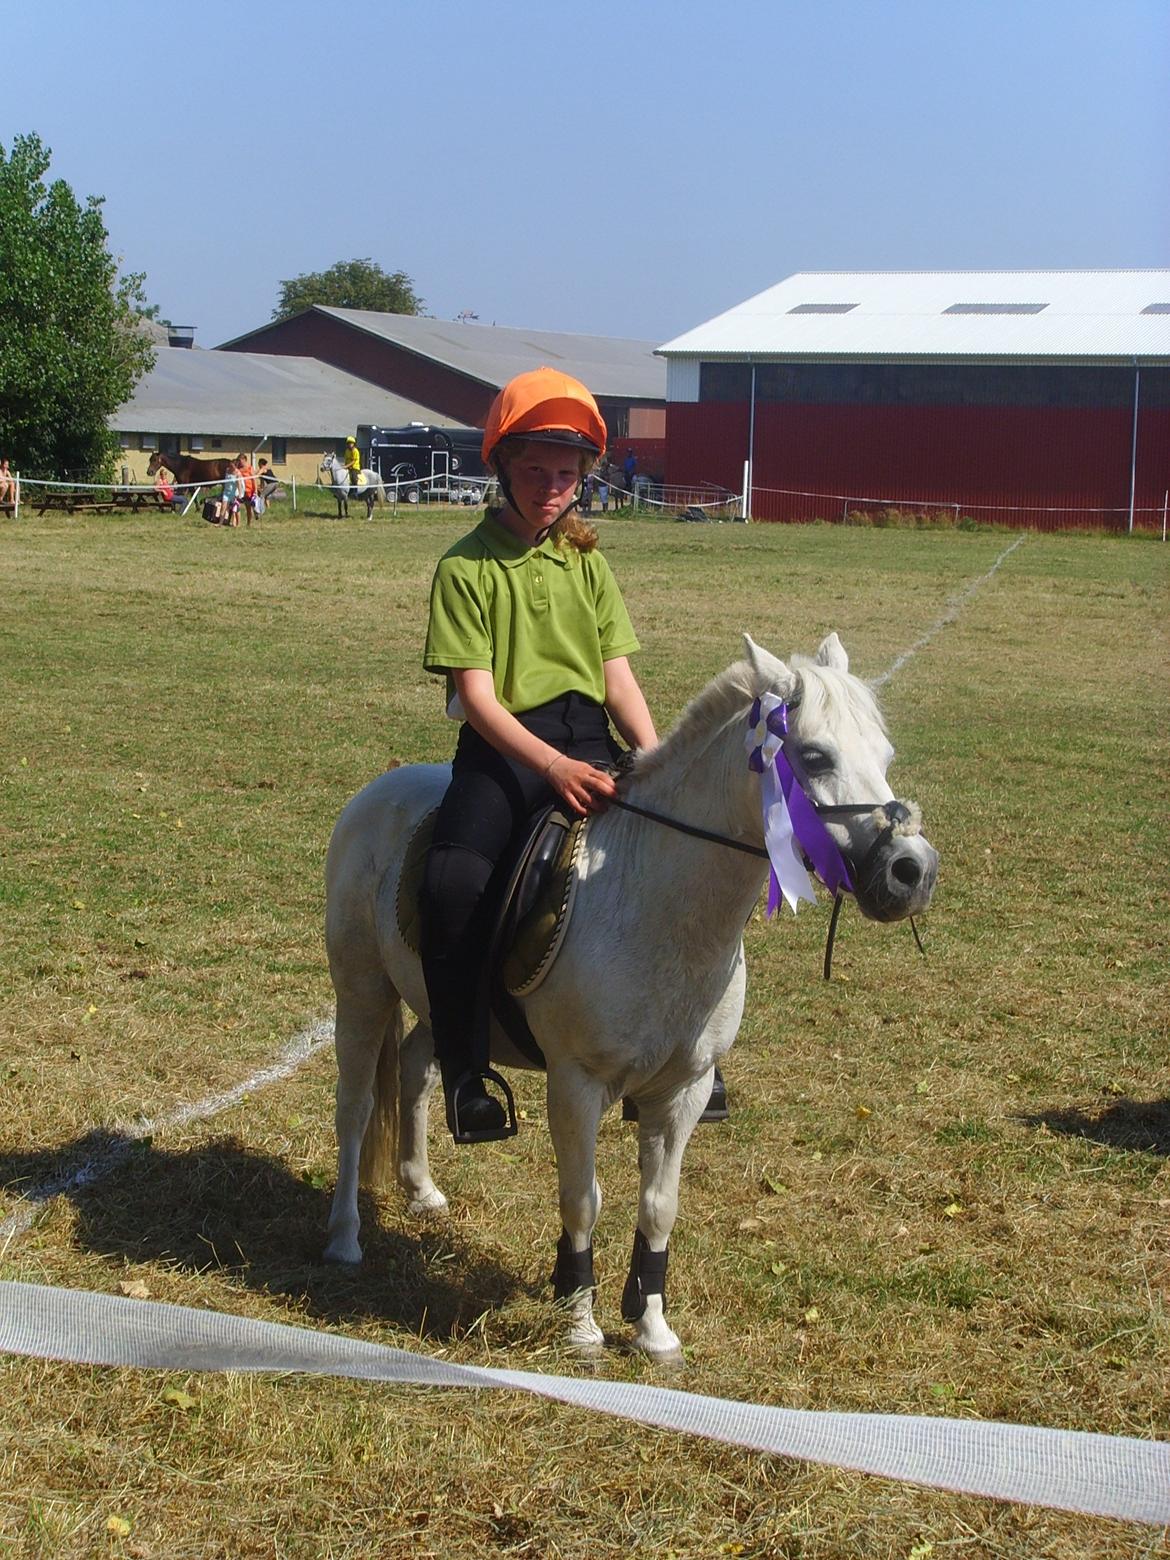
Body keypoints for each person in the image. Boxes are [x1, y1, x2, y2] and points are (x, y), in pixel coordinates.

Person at [420, 367, 658, 1143]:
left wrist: (657, 760)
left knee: (677, 855)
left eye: (565, 475)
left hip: (589, 734)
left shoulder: (588, 562)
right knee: (452, 884)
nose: (551, 489)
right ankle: (466, 1075)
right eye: (534, 472)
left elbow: (617, 679)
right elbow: (477, 699)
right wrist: (551, 769)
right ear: (501, 467)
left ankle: (677, 1050)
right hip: (506, 749)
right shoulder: (465, 567)